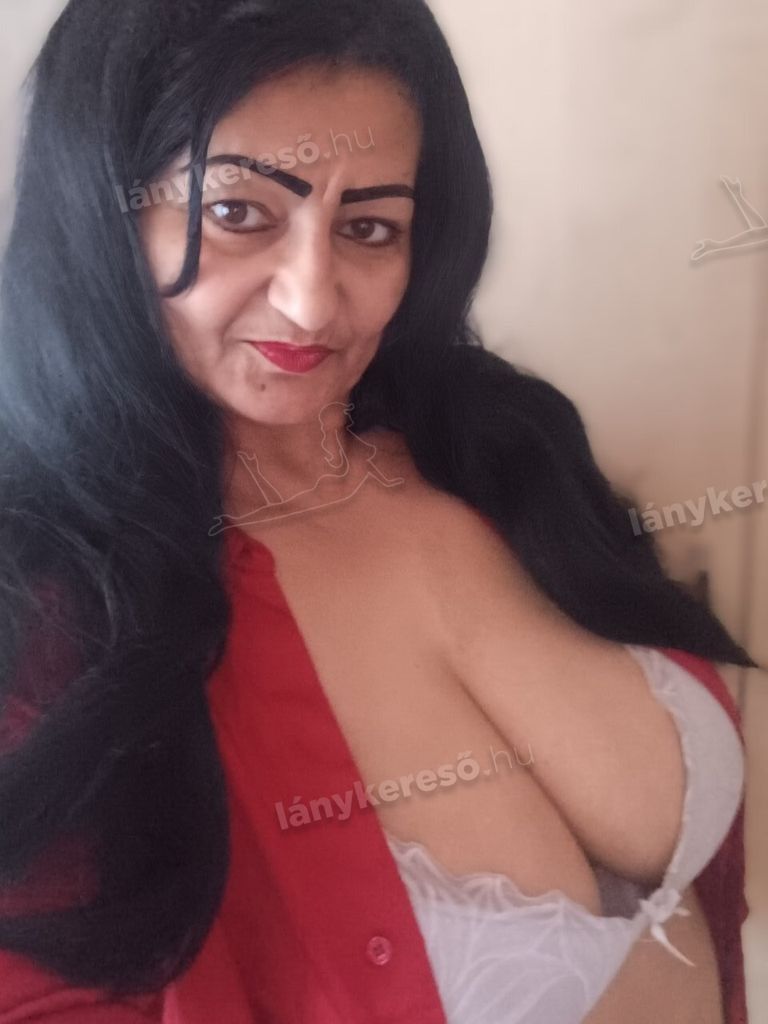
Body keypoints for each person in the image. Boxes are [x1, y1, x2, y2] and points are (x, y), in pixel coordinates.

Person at [0, 0, 759, 1021]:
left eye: (367, 226)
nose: (313, 301)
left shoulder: (499, 442)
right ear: (101, 215)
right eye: (238, 214)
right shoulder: (49, 619)